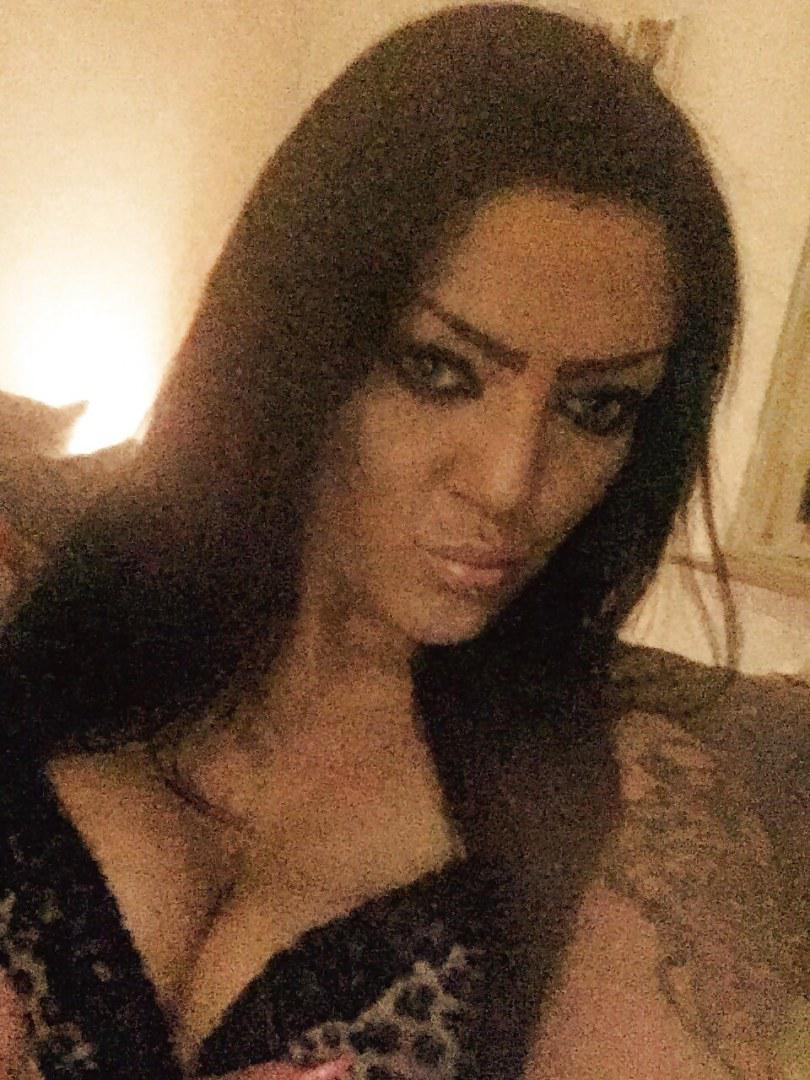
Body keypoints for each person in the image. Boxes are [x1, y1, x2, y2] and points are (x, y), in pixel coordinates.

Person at [0, 4, 803, 1078]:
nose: (510, 484)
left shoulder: (635, 811)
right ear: (295, 342)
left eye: (597, 407)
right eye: (438, 369)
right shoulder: (39, 646)